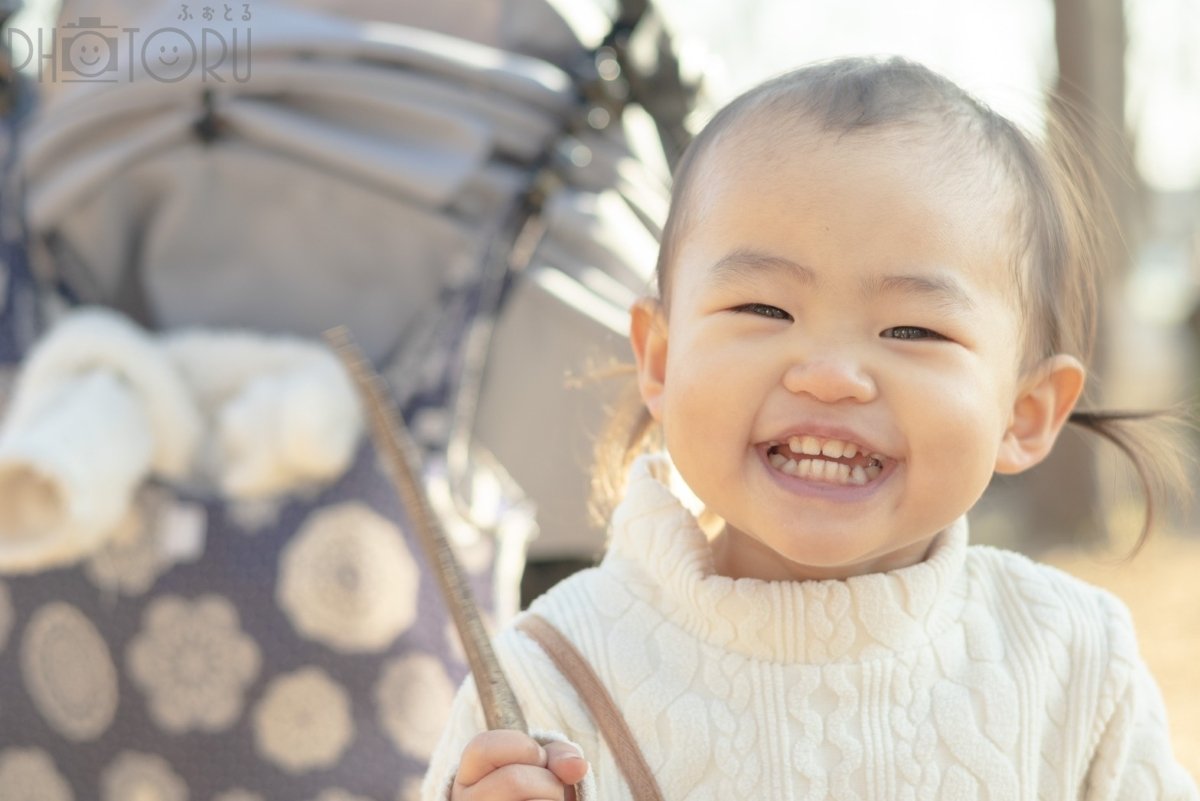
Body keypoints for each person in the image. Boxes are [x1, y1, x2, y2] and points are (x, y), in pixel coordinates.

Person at [422, 56, 1200, 801]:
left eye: (911, 330)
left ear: (1026, 412)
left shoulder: (1072, 660)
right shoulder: (545, 673)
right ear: (660, 358)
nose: (829, 374)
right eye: (764, 309)